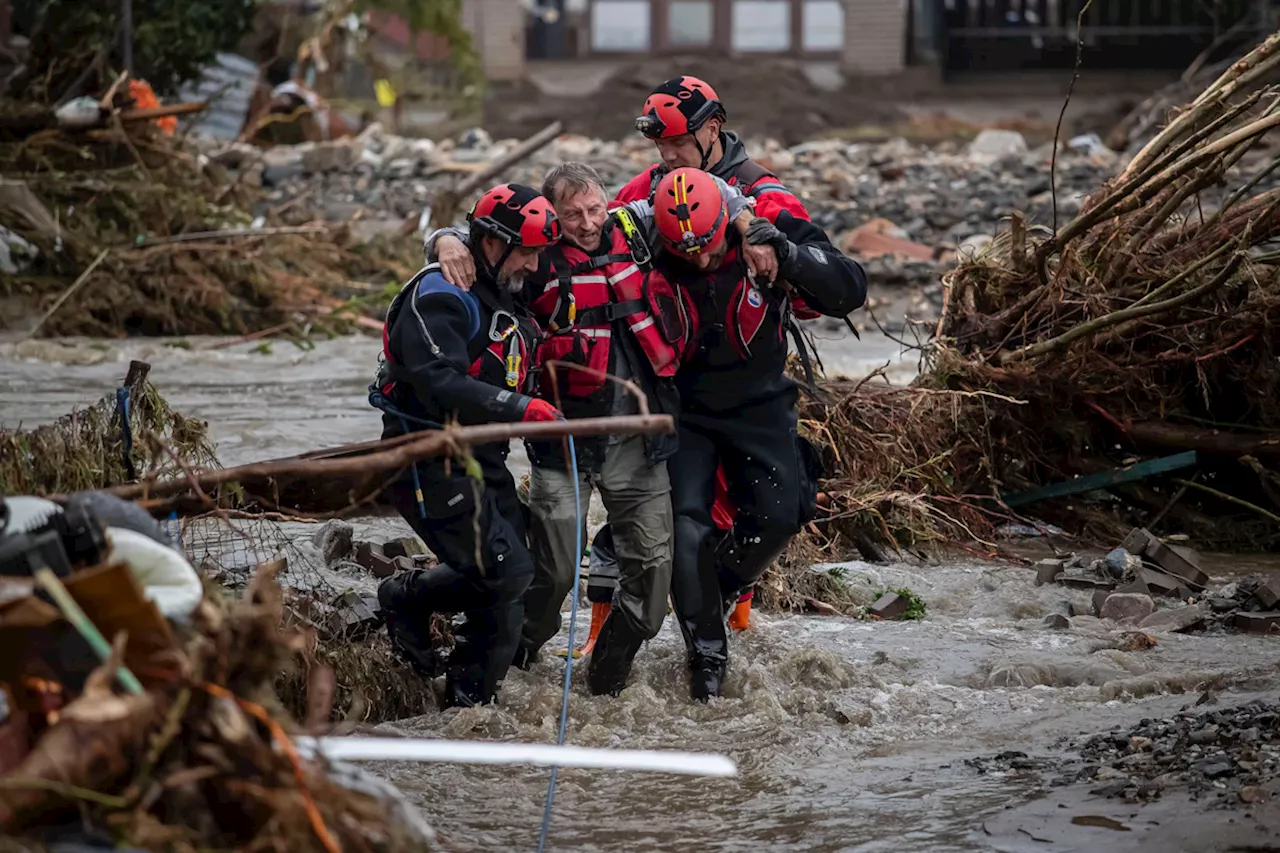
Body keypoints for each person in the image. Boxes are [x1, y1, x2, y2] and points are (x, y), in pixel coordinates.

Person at [423, 164, 749, 697]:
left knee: (650, 581)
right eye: (572, 214)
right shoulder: (533, 254)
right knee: (549, 578)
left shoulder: (636, 227)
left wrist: (754, 229)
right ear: (553, 214)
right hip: (561, 442)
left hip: (638, 442)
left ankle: (607, 676)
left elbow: (723, 197)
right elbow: (476, 242)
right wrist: (441, 239)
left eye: (594, 208)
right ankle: (513, 664)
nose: (587, 222)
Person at [651, 167, 867, 701]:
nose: (699, 259)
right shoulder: (640, 225)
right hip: (685, 407)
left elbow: (850, 285)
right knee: (687, 526)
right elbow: (565, 229)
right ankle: (705, 652)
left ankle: (715, 591)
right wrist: (448, 239)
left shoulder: (767, 224)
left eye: (706, 246)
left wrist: (788, 254)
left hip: (760, 399)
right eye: (685, 251)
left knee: (781, 515)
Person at [372, 183, 562, 710]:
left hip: (481, 455)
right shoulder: (440, 294)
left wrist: (445, 236)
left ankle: (471, 700)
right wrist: (520, 408)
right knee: (506, 571)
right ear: (494, 243)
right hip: (425, 455)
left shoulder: (504, 281)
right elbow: (439, 379)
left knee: (517, 571)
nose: (534, 262)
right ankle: (404, 601)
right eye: (525, 251)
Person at [613, 75, 810, 228]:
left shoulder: (764, 196)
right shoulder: (642, 190)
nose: (668, 155)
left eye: (679, 142)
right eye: (660, 144)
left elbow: (823, 268)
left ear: (713, 129)